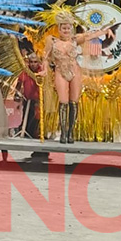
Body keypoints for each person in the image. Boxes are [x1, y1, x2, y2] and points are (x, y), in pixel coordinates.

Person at [41, 10, 114, 143]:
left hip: (75, 71)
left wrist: (105, 31)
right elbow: (45, 57)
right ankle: (63, 133)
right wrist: (45, 69)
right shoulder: (52, 41)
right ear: (59, 28)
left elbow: (90, 35)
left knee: (74, 101)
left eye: (69, 28)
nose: (66, 30)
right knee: (63, 101)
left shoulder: (75, 39)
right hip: (60, 71)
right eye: (64, 28)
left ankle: (71, 132)